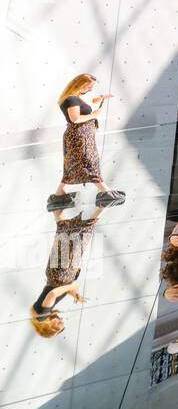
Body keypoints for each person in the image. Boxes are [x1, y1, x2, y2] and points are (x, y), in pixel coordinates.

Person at [30, 202, 116, 337]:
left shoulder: (42, 316)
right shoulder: (42, 314)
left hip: (61, 273)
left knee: (81, 237)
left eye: (59, 324)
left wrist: (72, 286)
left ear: (49, 327)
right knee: (65, 234)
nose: (61, 320)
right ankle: (56, 203)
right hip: (57, 273)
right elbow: (55, 292)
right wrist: (74, 294)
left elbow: (52, 293)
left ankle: (103, 204)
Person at [48, 74, 124, 211]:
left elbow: (85, 106)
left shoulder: (75, 98)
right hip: (78, 138)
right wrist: (94, 115)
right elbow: (75, 119)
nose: (90, 89)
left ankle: (59, 195)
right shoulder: (71, 99)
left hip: (83, 137)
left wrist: (100, 99)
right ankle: (104, 190)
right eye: (88, 86)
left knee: (76, 164)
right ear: (79, 85)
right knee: (89, 161)